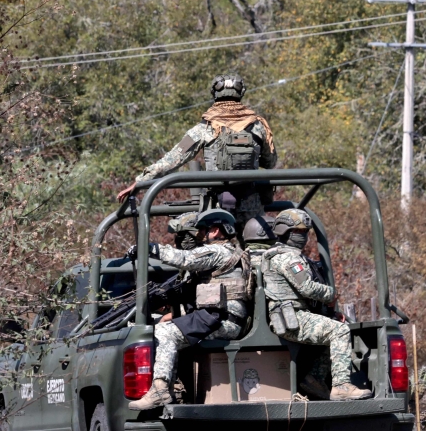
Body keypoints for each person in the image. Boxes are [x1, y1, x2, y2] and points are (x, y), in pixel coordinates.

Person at [127, 209, 252, 411]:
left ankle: (160, 390)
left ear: (216, 230)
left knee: (164, 331)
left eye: (203, 230)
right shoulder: (234, 253)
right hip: (222, 318)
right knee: (170, 329)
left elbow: (185, 259)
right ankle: (172, 389)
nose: (200, 235)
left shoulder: (218, 251)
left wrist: (150, 248)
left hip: (220, 320)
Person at [116, 74, 276, 222]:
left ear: (214, 94)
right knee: (255, 247)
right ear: (241, 94)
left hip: (218, 205)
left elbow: (173, 158)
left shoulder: (205, 127)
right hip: (251, 204)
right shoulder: (258, 125)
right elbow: (270, 162)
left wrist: (140, 181)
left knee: (218, 249)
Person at [261, 209, 371, 401]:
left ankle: (315, 379)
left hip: (294, 315)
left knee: (334, 327)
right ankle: (341, 386)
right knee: (340, 331)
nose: (303, 237)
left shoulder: (283, 255)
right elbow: (307, 288)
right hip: (291, 318)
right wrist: (331, 294)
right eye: (298, 232)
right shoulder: (288, 257)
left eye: (305, 232)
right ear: (285, 232)